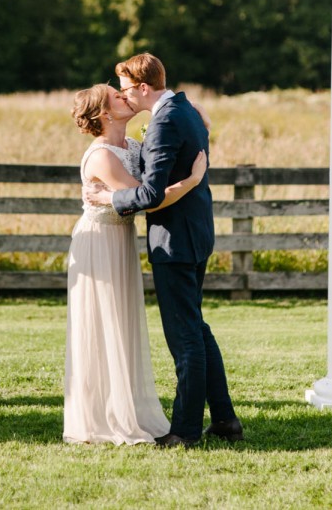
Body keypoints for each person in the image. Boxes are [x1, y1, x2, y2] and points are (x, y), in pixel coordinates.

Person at [98, 53, 243, 448]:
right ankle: (226, 419)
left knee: (184, 338)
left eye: (127, 90)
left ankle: (185, 430)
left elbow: (148, 194)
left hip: (175, 241)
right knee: (196, 327)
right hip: (195, 233)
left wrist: (110, 197)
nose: (124, 97)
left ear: (144, 88)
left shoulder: (164, 122)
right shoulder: (186, 109)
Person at [64, 83, 207, 445]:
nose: (125, 97)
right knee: (103, 324)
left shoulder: (131, 146)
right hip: (99, 242)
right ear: (105, 113)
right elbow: (148, 199)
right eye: (116, 96)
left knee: (123, 323)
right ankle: (101, 416)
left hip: (121, 240)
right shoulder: (102, 156)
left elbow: (162, 162)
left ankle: (126, 405)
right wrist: (192, 181)